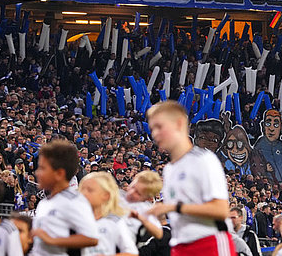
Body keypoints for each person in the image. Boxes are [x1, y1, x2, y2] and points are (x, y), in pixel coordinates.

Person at [145, 101, 235, 256]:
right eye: (152, 128)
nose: (155, 134)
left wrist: (173, 207)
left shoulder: (204, 160)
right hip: (180, 246)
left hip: (209, 242)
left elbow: (220, 210)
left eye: (159, 127)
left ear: (179, 123)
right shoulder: (169, 170)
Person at [30, 140, 99, 255]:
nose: (37, 173)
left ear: (59, 174)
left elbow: (91, 238)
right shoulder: (44, 202)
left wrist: (52, 240)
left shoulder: (75, 201)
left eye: (42, 168)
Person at [78, 171, 139, 256]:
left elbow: (132, 253)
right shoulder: (77, 220)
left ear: (106, 195)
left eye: (90, 190)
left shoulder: (115, 221)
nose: (83, 193)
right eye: (82, 189)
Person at [123, 170, 164, 246]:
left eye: (138, 193)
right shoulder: (118, 196)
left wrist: (141, 218)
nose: (132, 193)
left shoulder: (144, 209)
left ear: (147, 198)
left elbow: (159, 233)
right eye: (133, 187)